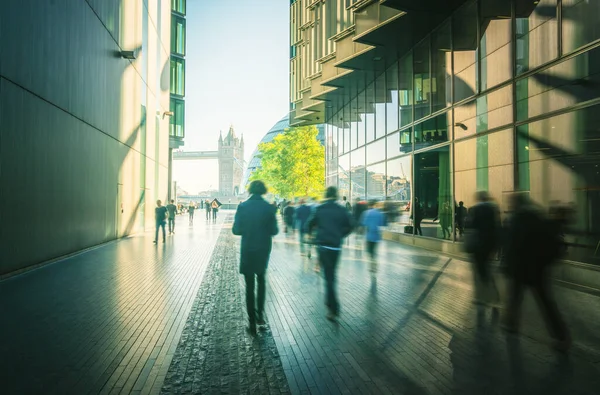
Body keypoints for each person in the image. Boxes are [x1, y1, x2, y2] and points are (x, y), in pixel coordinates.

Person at [503, 194, 571, 351]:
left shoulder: (518, 220)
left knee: (515, 297)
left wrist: (507, 265)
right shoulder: (538, 217)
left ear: (516, 205)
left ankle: (511, 323)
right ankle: (561, 335)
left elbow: (513, 246)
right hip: (538, 269)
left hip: (522, 268)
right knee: (546, 302)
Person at [232, 180, 278, 336]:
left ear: (250, 190)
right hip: (263, 250)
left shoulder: (243, 206)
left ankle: (251, 321)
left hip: (248, 250)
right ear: (263, 190)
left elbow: (236, 230)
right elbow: (274, 230)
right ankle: (260, 317)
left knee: (249, 286)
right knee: (262, 280)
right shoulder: (269, 208)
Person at [307, 187, 353, 321]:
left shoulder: (320, 209)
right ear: (336, 196)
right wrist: (340, 235)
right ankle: (332, 306)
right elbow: (351, 225)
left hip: (323, 246)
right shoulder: (341, 210)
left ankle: (332, 308)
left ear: (326, 195)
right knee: (332, 275)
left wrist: (313, 235)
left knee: (329, 278)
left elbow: (309, 224)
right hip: (335, 247)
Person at [465, 191, 500, 309]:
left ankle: (482, 297)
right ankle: (493, 297)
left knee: (479, 272)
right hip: (488, 246)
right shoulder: (493, 210)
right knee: (486, 271)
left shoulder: (475, 210)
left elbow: (470, 226)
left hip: (477, 246)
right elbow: (496, 229)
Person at [360, 200, 386, 274]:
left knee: (369, 251)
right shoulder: (379, 213)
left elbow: (364, 224)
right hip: (376, 236)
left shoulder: (366, 213)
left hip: (369, 235)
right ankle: (374, 261)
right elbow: (382, 224)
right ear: (375, 204)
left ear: (368, 205)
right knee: (374, 251)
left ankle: (372, 262)